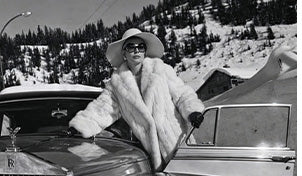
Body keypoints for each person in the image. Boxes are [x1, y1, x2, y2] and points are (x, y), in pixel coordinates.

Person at [69, 27, 205, 168]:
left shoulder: (161, 70)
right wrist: (81, 126)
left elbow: (182, 94)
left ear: (145, 51)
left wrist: (193, 111)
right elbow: (102, 108)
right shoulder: (117, 84)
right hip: (149, 152)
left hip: (178, 143)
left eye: (140, 47)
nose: (136, 50)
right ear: (124, 52)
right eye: (131, 47)